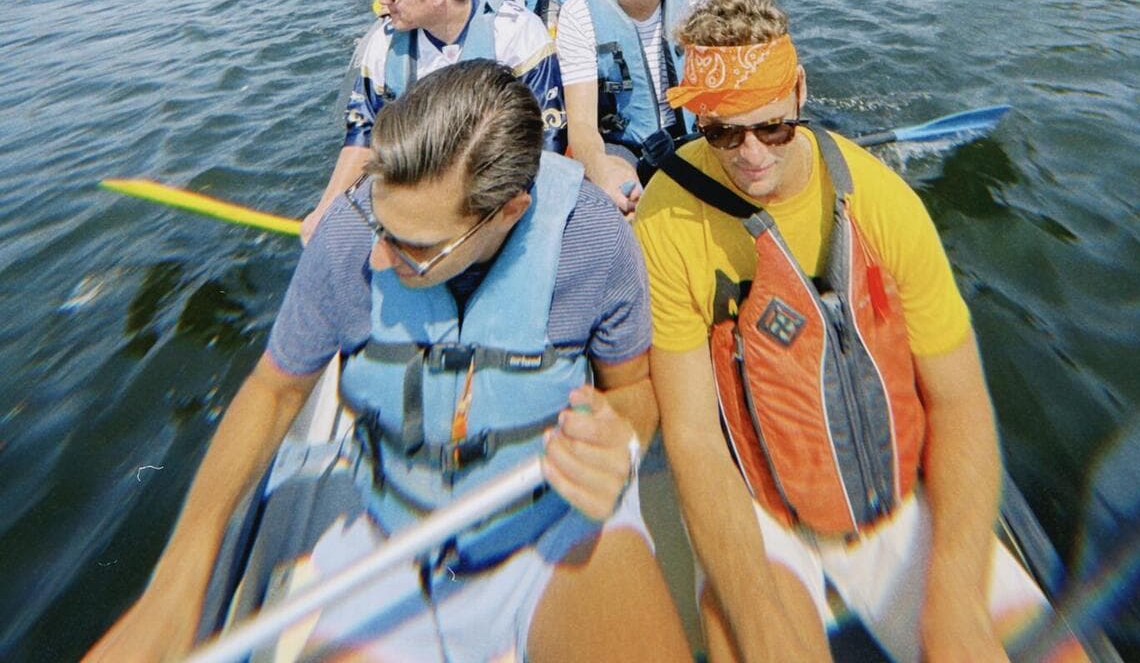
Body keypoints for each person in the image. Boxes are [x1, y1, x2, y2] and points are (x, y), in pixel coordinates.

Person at [84, 64, 693, 663]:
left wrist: (624, 439)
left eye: (417, 248)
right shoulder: (348, 235)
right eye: (381, 222)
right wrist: (180, 575)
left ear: (509, 210)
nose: (378, 258)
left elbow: (633, 389)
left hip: (556, 529)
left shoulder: (595, 241)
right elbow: (273, 390)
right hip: (390, 540)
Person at [634, 0, 1075, 663]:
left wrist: (953, 604)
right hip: (759, 504)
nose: (751, 153)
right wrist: (758, 619)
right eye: (721, 132)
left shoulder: (880, 199)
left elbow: (959, 401)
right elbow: (692, 433)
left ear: (800, 92)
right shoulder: (666, 218)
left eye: (773, 127)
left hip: (893, 495)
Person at [300, 0, 564, 242]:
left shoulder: (516, 33)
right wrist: (326, 208)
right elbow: (363, 132)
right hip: (417, 184)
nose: (382, 3)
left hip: (496, 187)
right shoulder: (382, 46)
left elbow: (548, 139)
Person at [556, 0, 709, 215]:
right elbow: (582, 124)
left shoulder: (695, 0)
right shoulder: (581, 12)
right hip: (623, 143)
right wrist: (602, 172)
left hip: (691, 134)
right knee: (621, 201)